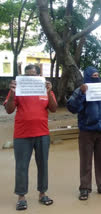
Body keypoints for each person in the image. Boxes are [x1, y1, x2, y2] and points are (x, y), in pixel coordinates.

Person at [4, 64, 57, 210]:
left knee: (43, 165)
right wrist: (13, 92)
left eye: (33, 74)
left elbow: (53, 108)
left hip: (42, 134)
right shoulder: (18, 90)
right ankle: (21, 197)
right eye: (28, 74)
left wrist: (49, 92)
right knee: (21, 166)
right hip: (22, 135)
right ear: (23, 76)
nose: (30, 76)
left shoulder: (45, 89)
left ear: (38, 75)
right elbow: (9, 110)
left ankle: (42, 193)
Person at [67, 66, 101, 200]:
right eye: (93, 76)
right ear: (87, 77)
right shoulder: (80, 90)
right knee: (85, 161)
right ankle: (84, 188)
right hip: (86, 131)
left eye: (97, 76)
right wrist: (82, 94)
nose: (96, 78)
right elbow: (72, 107)